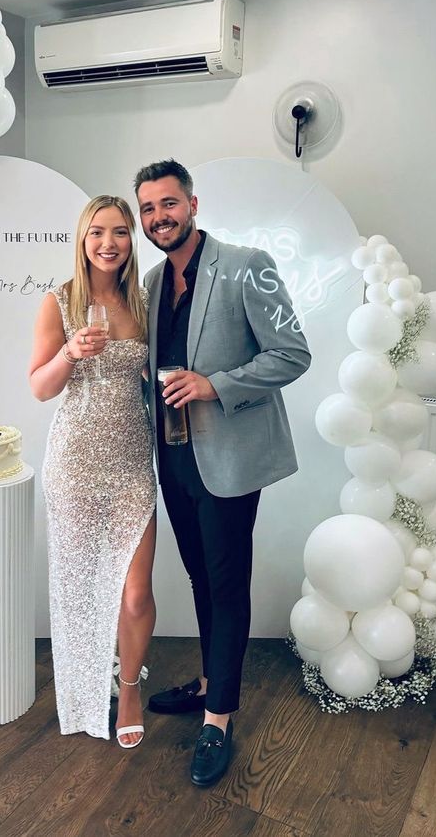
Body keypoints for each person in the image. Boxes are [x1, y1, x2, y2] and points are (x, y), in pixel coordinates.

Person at [134, 159, 311, 786]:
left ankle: (218, 718)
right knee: (200, 578)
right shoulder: (152, 283)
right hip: (173, 455)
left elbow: (293, 354)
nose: (159, 217)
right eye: (149, 209)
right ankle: (211, 679)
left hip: (231, 459)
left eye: (168, 204)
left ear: (193, 204)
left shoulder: (247, 264)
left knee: (227, 582)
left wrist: (216, 385)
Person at [29, 195, 157, 748]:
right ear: (82, 239)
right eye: (98, 232)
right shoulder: (58, 302)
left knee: (134, 593)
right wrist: (71, 354)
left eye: (121, 232)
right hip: (76, 460)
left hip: (132, 459)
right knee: (79, 584)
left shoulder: (146, 302)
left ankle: (127, 687)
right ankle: (82, 690)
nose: (110, 243)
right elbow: (39, 386)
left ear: (132, 240)